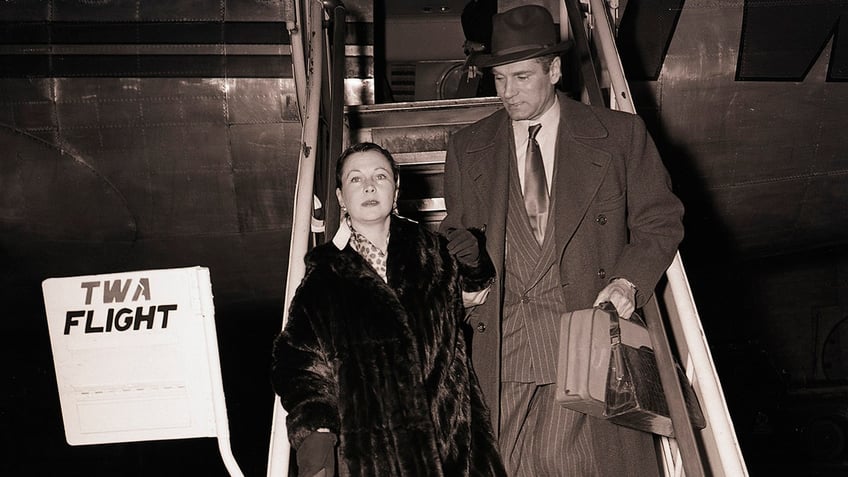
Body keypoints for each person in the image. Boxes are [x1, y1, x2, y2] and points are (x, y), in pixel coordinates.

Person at [439, 5, 685, 477]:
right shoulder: (466, 146)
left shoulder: (618, 136)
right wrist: (464, 280)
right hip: (501, 345)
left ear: (553, 69)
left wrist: (627, 283)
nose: (508, 93)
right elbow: (459, 234)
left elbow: (661, 220)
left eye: (522, 77)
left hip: (582, 339)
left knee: (568, 463)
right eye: (499, 79)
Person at [271, 142, 506, 476]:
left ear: (396, 189)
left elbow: (473, 296)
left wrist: (475, 264)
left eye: (380, 176)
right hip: (376, 458)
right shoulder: (323, 281)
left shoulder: (433, 253)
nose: (369, 186)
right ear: (340, 197)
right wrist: (315, 432)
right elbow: (300, 365)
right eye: (355, 179)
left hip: (455, 450)